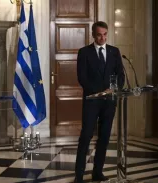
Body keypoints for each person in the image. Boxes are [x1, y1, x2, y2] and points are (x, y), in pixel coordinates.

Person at [75, 21, 125, 183]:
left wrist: (114, 88)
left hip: (109, 102)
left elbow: (120, 75)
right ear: (93, 35)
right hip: (92, 102)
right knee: (86, 136)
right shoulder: (84, 52)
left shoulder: (114, 52)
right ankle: (79, 176)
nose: (102, 37)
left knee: (104, 138)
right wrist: (98, 92)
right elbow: (82, 77)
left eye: (105, 34)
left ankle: (98, 173)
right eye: (99, 35)